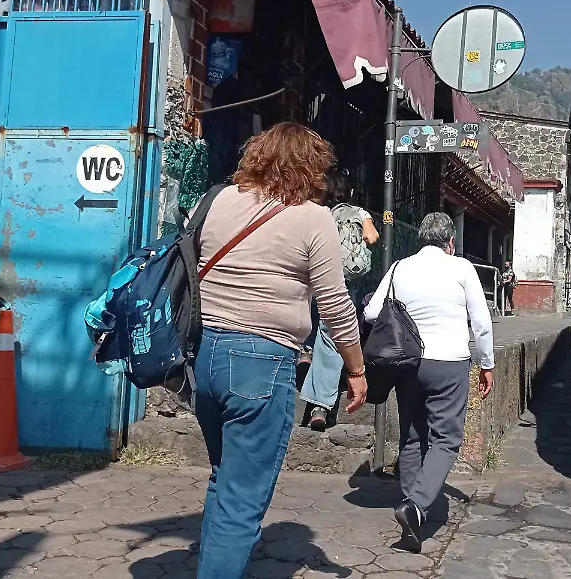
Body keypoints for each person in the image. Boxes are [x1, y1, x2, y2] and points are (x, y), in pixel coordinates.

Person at [193, 122, 367, 579]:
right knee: (242, 498)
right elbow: (334, 302)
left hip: (206, 357)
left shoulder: (216, 200)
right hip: (261, 363)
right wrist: (356, 368)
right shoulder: (313, 218)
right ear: (312, 169)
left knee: (224, 478)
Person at [363, 212, 494, 553]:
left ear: (422, 239)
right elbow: (481, 321)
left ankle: (412, 518)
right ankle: (416, 506)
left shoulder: (399, 268)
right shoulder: (462, 268)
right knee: (447, 438)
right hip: (449, 364)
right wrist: (487, 363)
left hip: (408, 363)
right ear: (451, 242)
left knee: (411, 435)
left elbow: (372, 312)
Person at [300, 169, 379, 431]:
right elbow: (372, 237)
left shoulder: (319, 213)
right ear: (350, 192)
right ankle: (321, 405)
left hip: (314, 276)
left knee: (317, 325)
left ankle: (306, 356)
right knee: (333, 333)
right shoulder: (359, 213)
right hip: (344, 281)